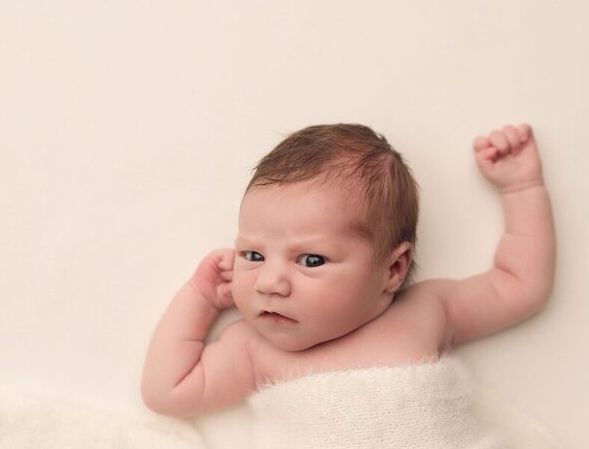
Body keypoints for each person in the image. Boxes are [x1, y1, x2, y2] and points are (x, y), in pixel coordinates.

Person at [141, 123, 555, 418]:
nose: (269, 283)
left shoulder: (428, 310)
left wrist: (522, 189)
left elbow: (521, 285)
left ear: (393, 269)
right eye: (253, 255)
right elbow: (167, 393)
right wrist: (199, 297)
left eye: (311, 261)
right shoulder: (254, 349)